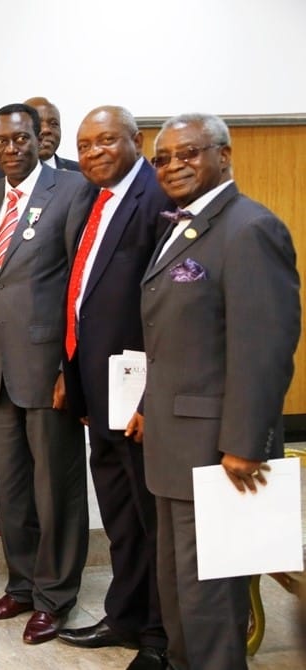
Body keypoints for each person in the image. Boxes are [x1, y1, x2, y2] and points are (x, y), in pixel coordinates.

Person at [136, 112, 299, 670]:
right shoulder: (184, 226)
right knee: (181, 592)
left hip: (220, 454)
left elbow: (266, 346)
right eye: (162, 158)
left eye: (189, 152)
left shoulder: (250, 228)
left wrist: (245, 443)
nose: (174, 165)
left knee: (210, 602)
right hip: (175, 447)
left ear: (223, 155)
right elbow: (174, 340)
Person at [55, 106, 172, 670]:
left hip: (139, 397)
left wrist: (151, 399)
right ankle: (123, 617)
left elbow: (168, 312)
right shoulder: (93, 198)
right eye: (84, 145)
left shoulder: (157, 199)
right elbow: (82, 294)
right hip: (98, 389)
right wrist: (72, 376)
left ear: (137, 141)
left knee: (152, 522)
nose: (94, 153)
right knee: (122, 517)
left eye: (106, 141)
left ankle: (158, 634)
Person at [0, 103, 89, 645]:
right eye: (0, 141)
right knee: (12, 490)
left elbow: (78, 287)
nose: (10, 148)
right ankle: (20, 586)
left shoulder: (70, 190)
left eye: (20, 139)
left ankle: (56, 596)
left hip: (47, 370)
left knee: (55, 488)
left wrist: (71, 366)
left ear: (41, 139)